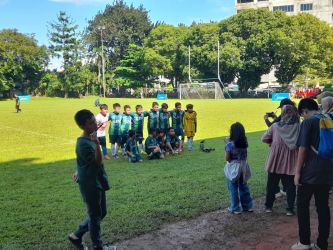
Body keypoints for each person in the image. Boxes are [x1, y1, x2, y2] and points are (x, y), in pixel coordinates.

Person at [69, 109, 115, 250]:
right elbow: (97, 162)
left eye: (94, 121)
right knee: (95, 217)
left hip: (97, 181)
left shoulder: (89, 138)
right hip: (90, 185)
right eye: (90, 123)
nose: (94, 125)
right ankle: (97, 246)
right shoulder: (83, 143)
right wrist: (97, 144)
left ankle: (76, 235)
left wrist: (79, 170)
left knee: (101, 213)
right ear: (82, 126)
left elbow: (84, 161)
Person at [291, 98, 333, 250]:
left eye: (302, 114)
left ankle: (304, 242)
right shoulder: (329, 118)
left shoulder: (308, 122)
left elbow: (302, 149)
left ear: (304, 111)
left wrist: (297, 173)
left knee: (302, 205)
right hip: (327, 171)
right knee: (323, 207)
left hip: (310, 172)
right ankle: (322, 244)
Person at [262, 105, 300, 216]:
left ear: (282, 114)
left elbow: (264, 138)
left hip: (276, 160)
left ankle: (268, 206)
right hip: (291, 160)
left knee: (271, 185)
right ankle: (289, 209)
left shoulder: (275, 126)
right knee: (291, 186)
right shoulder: (299, 126)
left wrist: (273, 141)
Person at [224, 122, 253, 215]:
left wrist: (227, 143)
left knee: (233, 187)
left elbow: (228, 159)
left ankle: (235, 207)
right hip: (244, 166)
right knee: (243, 186)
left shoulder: (229, 145)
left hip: (234, 168)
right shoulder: (245, 142)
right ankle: (248, 206)